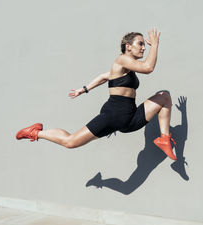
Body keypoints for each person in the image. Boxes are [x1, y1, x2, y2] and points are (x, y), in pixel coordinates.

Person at [16, 28, 176, 160]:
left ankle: (164, 139)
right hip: (113, 115)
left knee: (164, 96)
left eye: (145, 46)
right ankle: (36, 132)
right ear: (128, 46)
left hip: (130, 119)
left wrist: (84, 89)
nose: (143, 47)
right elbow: (148, 68)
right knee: (71, 142)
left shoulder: (126, 68)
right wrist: (155, 44)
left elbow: (104, 76)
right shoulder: (121, 60)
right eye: (140, 44)